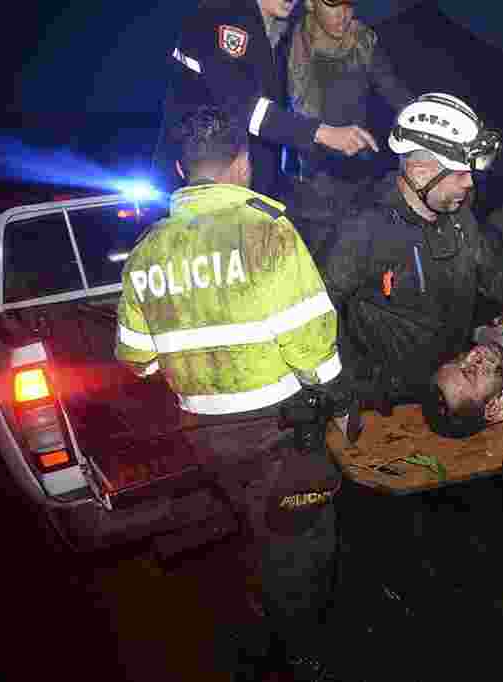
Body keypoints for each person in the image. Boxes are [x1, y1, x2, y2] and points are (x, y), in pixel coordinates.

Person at [116, 106, 361, 682]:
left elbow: (138, 358)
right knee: (301, 548)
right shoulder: (267, 231)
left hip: (201, 436)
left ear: (180, 169)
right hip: (277, 430)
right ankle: (301, 655)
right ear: (244, 166)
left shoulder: (148, 250)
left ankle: (257, 630)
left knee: (252, 531)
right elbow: (312, 348)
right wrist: (341, 404)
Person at [319, 93, 503, 408]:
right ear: (421, 172)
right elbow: (314, 315)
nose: (470, 183)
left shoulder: (462, 220)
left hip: (443, 391)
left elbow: (498, 292)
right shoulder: (364, 230)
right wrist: (341, 395)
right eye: (461, 173)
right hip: (382, 406)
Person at [156, 0, 378, 199]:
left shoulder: (278, 27)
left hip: (248, 179)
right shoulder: (222, 15)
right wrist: (322, 133)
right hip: (199, 178)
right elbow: (243, 106)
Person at [284, 0, 413, 251]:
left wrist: (425, 117)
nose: (343, 15)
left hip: (358, 178)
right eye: (334, 5)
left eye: (349, 5)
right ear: (310, 3)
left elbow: (394, 91)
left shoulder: (362, 41)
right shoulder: (286, 44)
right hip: (309, 186)